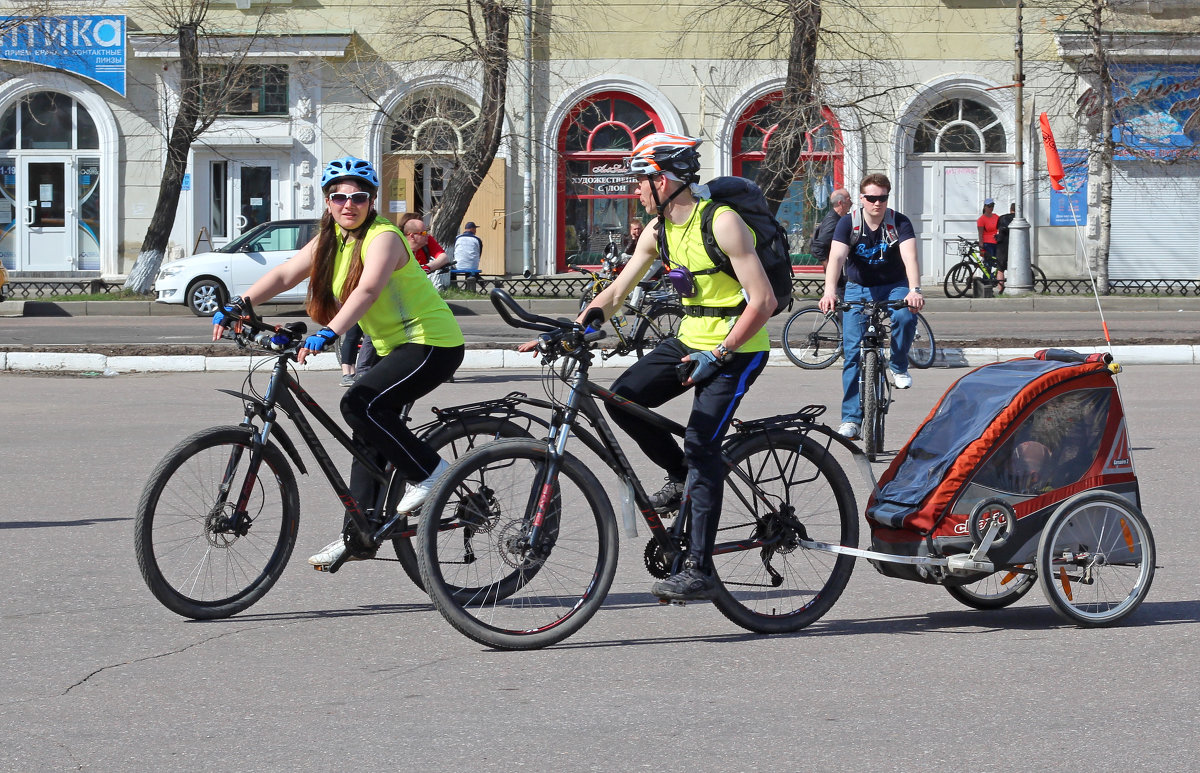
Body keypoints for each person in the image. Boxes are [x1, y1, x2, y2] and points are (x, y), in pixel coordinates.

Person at [212, 156, 465, 569]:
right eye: (339, 196)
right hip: (391, 345)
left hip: (431, 343)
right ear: (328, 202)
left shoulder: (382, 237)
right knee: (366, 436)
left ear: (372, 201)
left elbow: (366, 291)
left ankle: (432, 472)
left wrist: (329, 331)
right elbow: (285, 274)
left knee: (359, 404)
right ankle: (360, 533)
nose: (349, 204)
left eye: (359, 197)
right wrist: (238, 303)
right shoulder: (332, 238)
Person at [560, 132, 775, 602]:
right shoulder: (659, 230)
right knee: (625, 401)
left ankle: (699, 567)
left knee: (702, 445)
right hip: (688, 338)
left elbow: (763, 301)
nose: (636, 189)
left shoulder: (722, 223)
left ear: (669, 180)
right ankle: (681, 477)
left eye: (643, 179)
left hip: (737, 349)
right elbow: (617, 292)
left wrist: (717, 354)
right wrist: (576, 327)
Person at [819, 173, 924, 440]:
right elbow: (837, 258)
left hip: (894, 285)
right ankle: (851, 419)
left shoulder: (899, 222)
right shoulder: (848, 223)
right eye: (872, 198)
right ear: (862, 199)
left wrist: (914, 290)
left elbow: (910, 257)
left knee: (905, 315)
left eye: (883, 198)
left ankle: (898, 365)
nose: (877, 203)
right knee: (852, 353)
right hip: (858, 287)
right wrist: (830, 291)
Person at [810, 188, 852, 293]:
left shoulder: (839, 218)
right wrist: (830, 268)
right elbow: (818, 246)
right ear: (840, 203)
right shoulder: (833, 221)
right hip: (839, 276)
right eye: (849, 199)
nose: (851, 202)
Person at [399, 213, 452, 290]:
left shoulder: (427, 239)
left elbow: (443, 257)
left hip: (419, 284)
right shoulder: (397, 244)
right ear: (411, 234)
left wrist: (427, 267)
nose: (427, 234)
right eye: (423, 232)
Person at [977, 198, 1003, 292]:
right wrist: (981, 245)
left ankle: (996, 282)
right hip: (987, 244)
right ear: (985, 207)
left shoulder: (996, 217)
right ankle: (987, 286)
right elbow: (980, 234)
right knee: (988, 265)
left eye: (992, 206)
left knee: (998, 264)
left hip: (997, 243)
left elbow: (1000, 228)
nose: (991, 208)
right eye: (989, 206)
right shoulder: (981, 219)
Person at [995, 202, 1016, 286]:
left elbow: (998, 230)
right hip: (1015, 246)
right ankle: (1015, 285)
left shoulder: (1002, 218)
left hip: (1002, 246)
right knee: (1016, 267)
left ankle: (1000, 289)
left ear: (1010, 209)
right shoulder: (1020, 218)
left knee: (1000, 269)